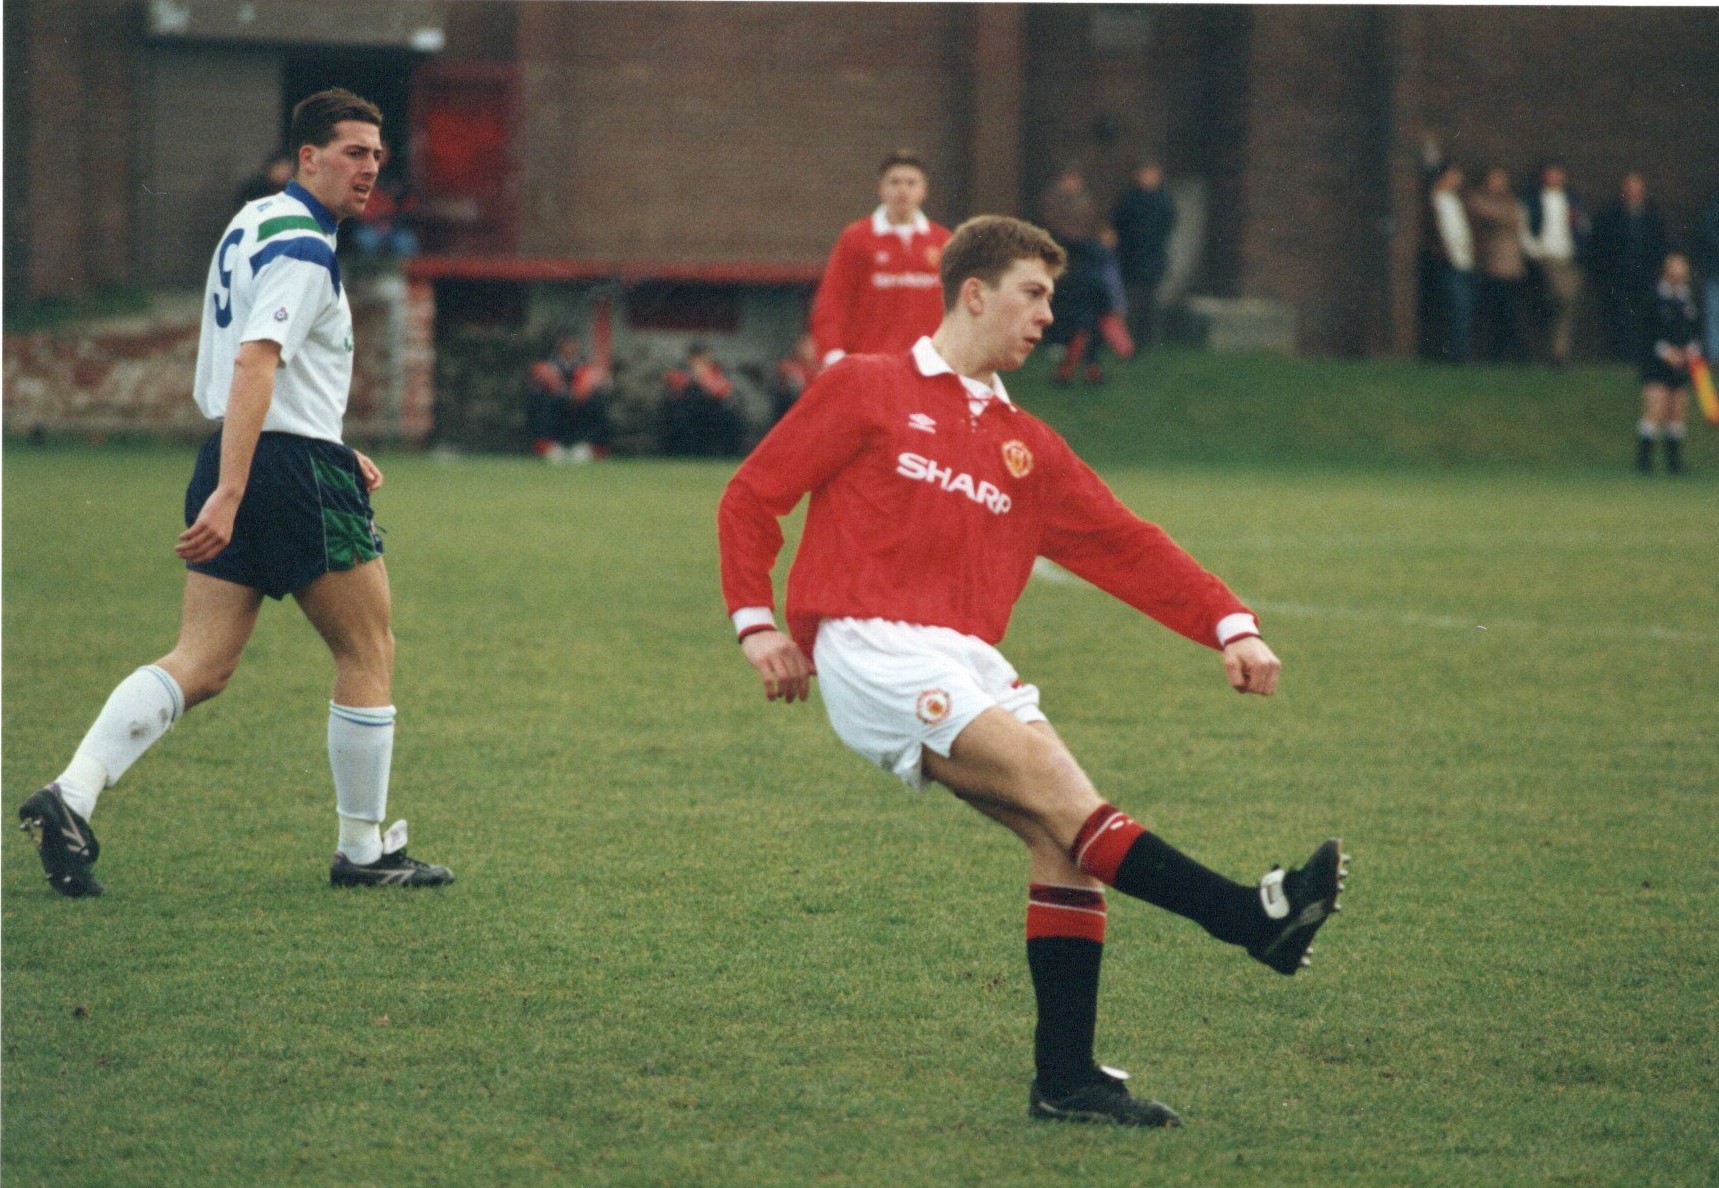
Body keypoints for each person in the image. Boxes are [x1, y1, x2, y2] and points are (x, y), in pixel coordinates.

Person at [718, 215, 1347, 1128]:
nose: (1049, 314)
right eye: (1034, 293)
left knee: (1067, 845)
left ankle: (1066, 1081)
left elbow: (1124, 544)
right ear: (974, 293)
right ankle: (1249, 918)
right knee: (1065, 795)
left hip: (968, 658)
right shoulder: (865, 386)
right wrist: (755, 624)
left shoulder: (1026, 444)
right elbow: (752, 495)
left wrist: (1229, 625)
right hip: (873, 646)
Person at [17, 88, 454, 897]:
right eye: (353, 152)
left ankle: (72, 794)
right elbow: (257, 361)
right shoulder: (304, 248)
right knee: (368, 651)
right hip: (275, 472)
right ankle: (362, 851)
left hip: (246, 449)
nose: (370, 169)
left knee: (204, 662)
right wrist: (237, 488)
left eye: (378, 156)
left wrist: (312, 443)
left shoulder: (254, 221)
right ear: (308, 158)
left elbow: (265, 372)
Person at [808, 149, 953, 369]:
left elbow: (955, 307)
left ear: (924, 191)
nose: (903, 190)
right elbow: (831, 301)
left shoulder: (943, 241)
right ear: (881, 189)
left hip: (929, 367)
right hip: (871, 367)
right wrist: (833, 355)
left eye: (911, 183)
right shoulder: (856, 238)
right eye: (894, 182)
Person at [1039, 167, 1132, 384]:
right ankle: (1069, 369)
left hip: (1089, 273)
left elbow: (1097, 223)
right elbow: (1055, 229)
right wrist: (1083, 241)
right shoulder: (1054, 201)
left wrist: (1101, 236)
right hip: (1070, 265)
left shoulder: (1088, 202)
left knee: (1090, 327)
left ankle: (1088, 369)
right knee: (1080, 325)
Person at [1591, 172, 1668, 363]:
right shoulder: (1611, 216)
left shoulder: (1651, 217)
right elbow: (1600, 246)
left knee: (1643, 316)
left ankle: (1640, 355)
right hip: (1618, 276)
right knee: (1619, 316)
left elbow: (1659, 246)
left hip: (1644, 276)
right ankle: (1622, 355)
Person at [1635, 252, 1702, 475]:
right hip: (1656, 363)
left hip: (1682, 363)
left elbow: (1696, 330)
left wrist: (1689, 351)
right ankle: (1644, 463)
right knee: (1655, 408)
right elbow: (1645, 332)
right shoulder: (1654, 297)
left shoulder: (1689, 299)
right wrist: (1665, 351)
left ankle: (1674, 464)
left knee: (1677, 410)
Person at [1521, 159, 1589, 368]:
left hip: (1569, 257)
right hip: (1547, 257)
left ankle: (1559, 352)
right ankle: (1556, 351)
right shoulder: (1533, 200)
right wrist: (1535, 250)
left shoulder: (1572, 200)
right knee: (1563, 299)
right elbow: (1523, 226)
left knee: (1566, 306)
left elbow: (1583, 226)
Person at [1110, 160, 1177, 351]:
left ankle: (1151, 341)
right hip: (1132, 258)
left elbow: (1168, 224)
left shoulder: (1163, 200)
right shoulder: (1129, 199)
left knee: (1152, 302)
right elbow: (1119, 224)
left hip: (1154, 258)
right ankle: (1128, 341)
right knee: (1132, 301)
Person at [1466, 166, 1529, 363]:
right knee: (1496, 311)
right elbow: (1492, 214)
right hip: (1492, 265)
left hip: (1511, 267)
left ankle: (1503, 353)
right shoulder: (1479, 200)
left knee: (1508, 311)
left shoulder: (1510, 201)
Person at [527, 334, 614, 462]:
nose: (570, 348)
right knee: (541, 401)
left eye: (573, 345)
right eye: (566, 345)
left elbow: (596, 383)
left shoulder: (585, 367)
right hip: (556, 405)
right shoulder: (549, 367)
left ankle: (592, 447)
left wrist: (585, 389)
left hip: (581, 405)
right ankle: (547, 446)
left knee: (599, 402)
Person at [1423, 162, 1476, 364]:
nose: (1457, 180)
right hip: (1447, 262)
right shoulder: (1432, 201)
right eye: (1454, 175)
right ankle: (1456, 355)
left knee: (1464, 309)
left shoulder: (1458, 200)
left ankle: (1460, 352)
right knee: (1456, 308)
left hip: (1465, 262)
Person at [660, 342, 745, 457]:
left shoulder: (715, 372)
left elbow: (723, 391)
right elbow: (675, 391)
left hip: (710, 412)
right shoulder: (679, 371)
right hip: (686, 412)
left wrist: (705, 378)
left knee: (730, 417)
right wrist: (695, 377)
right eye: (700, 357)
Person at [1696, 190, 1719, 363]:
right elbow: (1708, 235)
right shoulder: (1714, 212)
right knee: (1713, 315)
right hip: (1716, 274)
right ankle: (1714, 356)